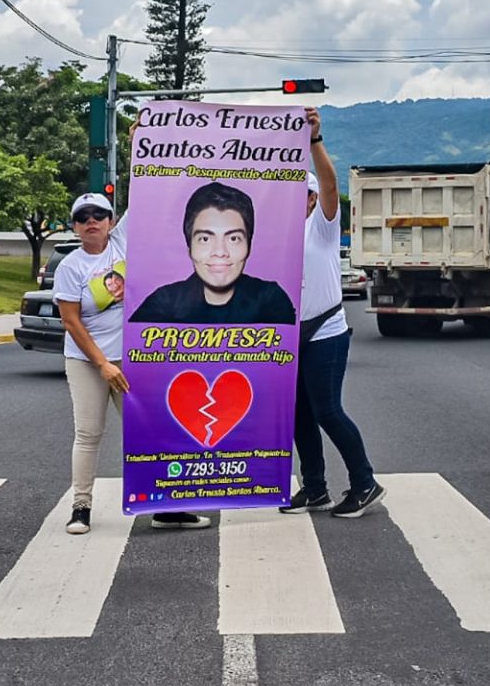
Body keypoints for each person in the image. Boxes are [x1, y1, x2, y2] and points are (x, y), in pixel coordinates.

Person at [54, 192, 209, 536]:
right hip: (87, 361)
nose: (91, 222)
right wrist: (103, 365)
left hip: (133, 359)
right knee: (89, 433)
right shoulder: (70, 267)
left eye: (99, 215)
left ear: (111, 221)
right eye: (83, 217)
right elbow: (71, 322)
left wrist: (154, 148)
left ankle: (165, 508)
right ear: (74, 226)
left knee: (150, 431)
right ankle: (81, 507)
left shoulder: (122, 242)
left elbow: (146, 189)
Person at [280, 108, 384, 519]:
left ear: (311, 199)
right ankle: (315, 488)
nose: (297, 200)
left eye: (303, 194)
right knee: (298, 415)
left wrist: (315, 141)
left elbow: (329, 184)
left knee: (327, 410)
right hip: (291, 335)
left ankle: (364, 482)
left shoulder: (321, 227)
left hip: (325, 331)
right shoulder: (274, 232)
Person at [130, 181, 296, 325]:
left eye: (233, 239)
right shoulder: (164, 303)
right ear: (189, 248)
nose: (220, 252)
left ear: (249, 247)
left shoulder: (270, 299)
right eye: (205, 239)